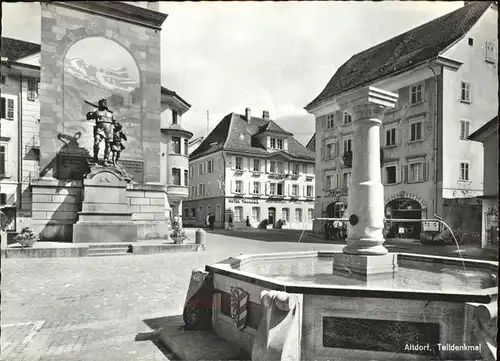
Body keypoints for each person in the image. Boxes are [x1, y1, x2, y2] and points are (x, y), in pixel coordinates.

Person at [86, 98, 115, 164]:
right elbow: (88, 117)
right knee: (96, 143)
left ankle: (106, 159)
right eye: (102, 103)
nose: (103, 105)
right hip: (100, 129)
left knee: (108, 145)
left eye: (104, 103)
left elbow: (115, 123)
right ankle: (95, 157)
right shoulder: (97, 112)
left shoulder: (110, 114)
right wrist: (91, 112)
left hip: (109, 130)